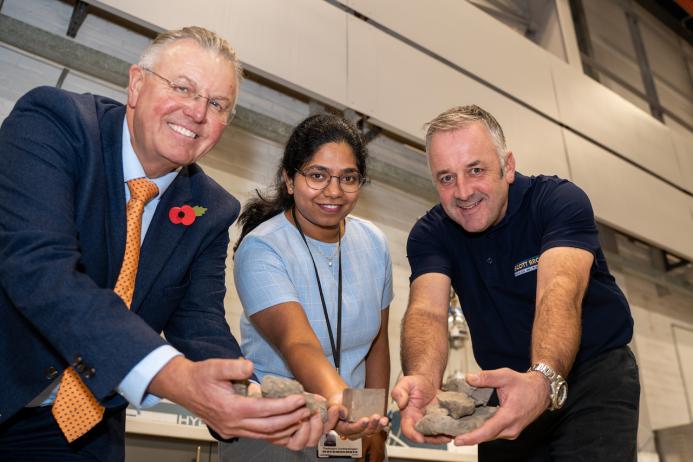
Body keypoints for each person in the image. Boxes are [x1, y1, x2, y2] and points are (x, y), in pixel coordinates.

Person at [0, 26, 323, 462]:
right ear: (136, 84)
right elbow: (42, 271)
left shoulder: (211, 207)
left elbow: (198, 322)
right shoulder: (54, 123)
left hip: (85, 427)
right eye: (183, 88)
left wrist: (248, 401)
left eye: (216, 104)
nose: (196, 112)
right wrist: (171, 376)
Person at [391, 105, 639, 461]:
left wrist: (543, 380)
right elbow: (428, 311)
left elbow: (559, 292)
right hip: (506, 383)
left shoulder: (557, 202)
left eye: (475, 170)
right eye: (446, 178)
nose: (462, 191)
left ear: (507, 166)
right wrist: (424, 380)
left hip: (593, 375)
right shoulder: (431, 234)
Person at [220, 113, 392, 462]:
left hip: (352, 430)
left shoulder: (374, 242)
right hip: (277, 430)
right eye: (317, 175)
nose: (333, 191)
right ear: (288, 179)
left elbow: (377, 342)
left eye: (348, 178)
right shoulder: (262, 248)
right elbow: (298, 342)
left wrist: (373, 427)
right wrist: (347, 412)